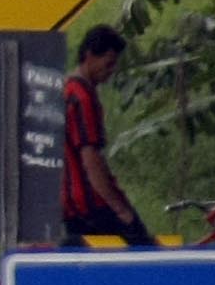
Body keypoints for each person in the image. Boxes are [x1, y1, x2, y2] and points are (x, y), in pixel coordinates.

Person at [62, 25, 157, 246]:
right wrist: (121, 209)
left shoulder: (64, 90)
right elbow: (91, 160)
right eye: (109, 62)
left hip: (70, 207)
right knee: (143, 252)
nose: (111, 70)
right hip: (92, 205)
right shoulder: (83, 98)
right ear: (89, 55)